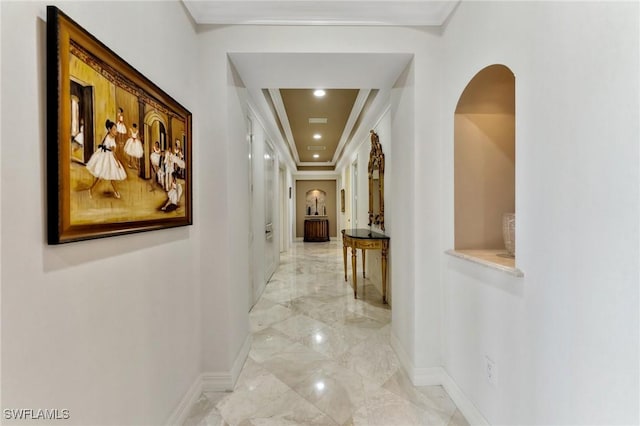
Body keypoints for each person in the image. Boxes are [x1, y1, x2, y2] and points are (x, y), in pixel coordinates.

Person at [86, 119, 127, 199]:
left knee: (112, 176)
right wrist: (117, 162)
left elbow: (113, 151)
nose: (116, 131)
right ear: (109, 130)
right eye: (114, 129)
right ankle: (91, 189)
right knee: (101, 176)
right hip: (106, 157)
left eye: (116, 129)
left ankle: (116, 191)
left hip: (109, 156)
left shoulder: (111, 137)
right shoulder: (108, 138)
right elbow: (113, 152)